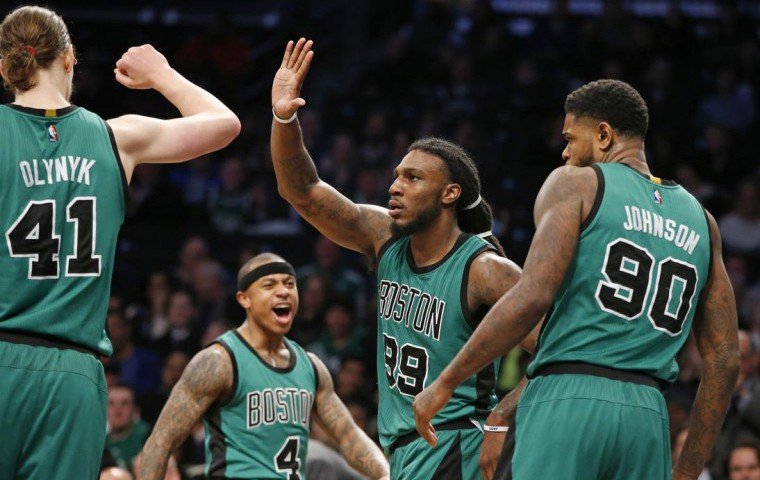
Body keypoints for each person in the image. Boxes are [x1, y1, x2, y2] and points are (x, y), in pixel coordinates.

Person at [413, 79, 740, 480]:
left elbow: (532, 295)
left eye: (570, 138)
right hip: (648, 416)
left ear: (604, 135)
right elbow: (725, 359)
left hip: (568, 398)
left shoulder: (576, 183)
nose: (565, 152)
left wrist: (446, 381)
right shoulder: (703, 222)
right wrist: (687, 470)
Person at [270, 38, 534, 479]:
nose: (394, 187)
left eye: (413, 178)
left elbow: (558, 348)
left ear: (449, 194)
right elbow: (304, 191)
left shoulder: (485, 269)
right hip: (405, 448)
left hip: (457, 443)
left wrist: (501, 418)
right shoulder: (384, 238)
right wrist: (284, 117)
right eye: (396, 176)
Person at [0, 5, 240, 479]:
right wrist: (161, 74)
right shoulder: (117, 137)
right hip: (73, 373)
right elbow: (224, 123)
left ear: (7, 68)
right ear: (69, 59)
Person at [136, 253, 390, 480]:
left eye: (289, 284)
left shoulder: (310, 366)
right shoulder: (218, 361)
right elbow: (160, 442)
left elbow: (348, 436)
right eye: (269, 285)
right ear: (244, 299)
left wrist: (385, 473)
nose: (283, 292)